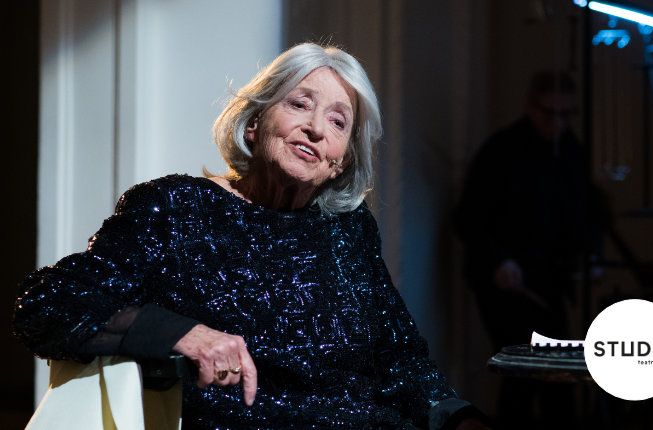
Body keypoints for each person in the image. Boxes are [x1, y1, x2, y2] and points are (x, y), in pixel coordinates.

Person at [13, 43, 488, 429]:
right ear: (255, 122)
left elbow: (398, 358)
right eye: (299, 104)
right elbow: (46, 304)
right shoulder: (177, 207)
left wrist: (458, 418)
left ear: (342, 160)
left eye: (337, 121)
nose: (315, 128)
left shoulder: (349, 229)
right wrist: (182, 333)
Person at [455, 71, 593, 428]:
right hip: (502, 281)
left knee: (559, 376)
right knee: (525, 371)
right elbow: (468, 217)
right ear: (532, 107)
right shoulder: (502, 150)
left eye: (567, 114)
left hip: (546, 280)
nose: (558, 123)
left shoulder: (571, 150)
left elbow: (581, 211)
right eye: (550, 113)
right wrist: (499, 261)